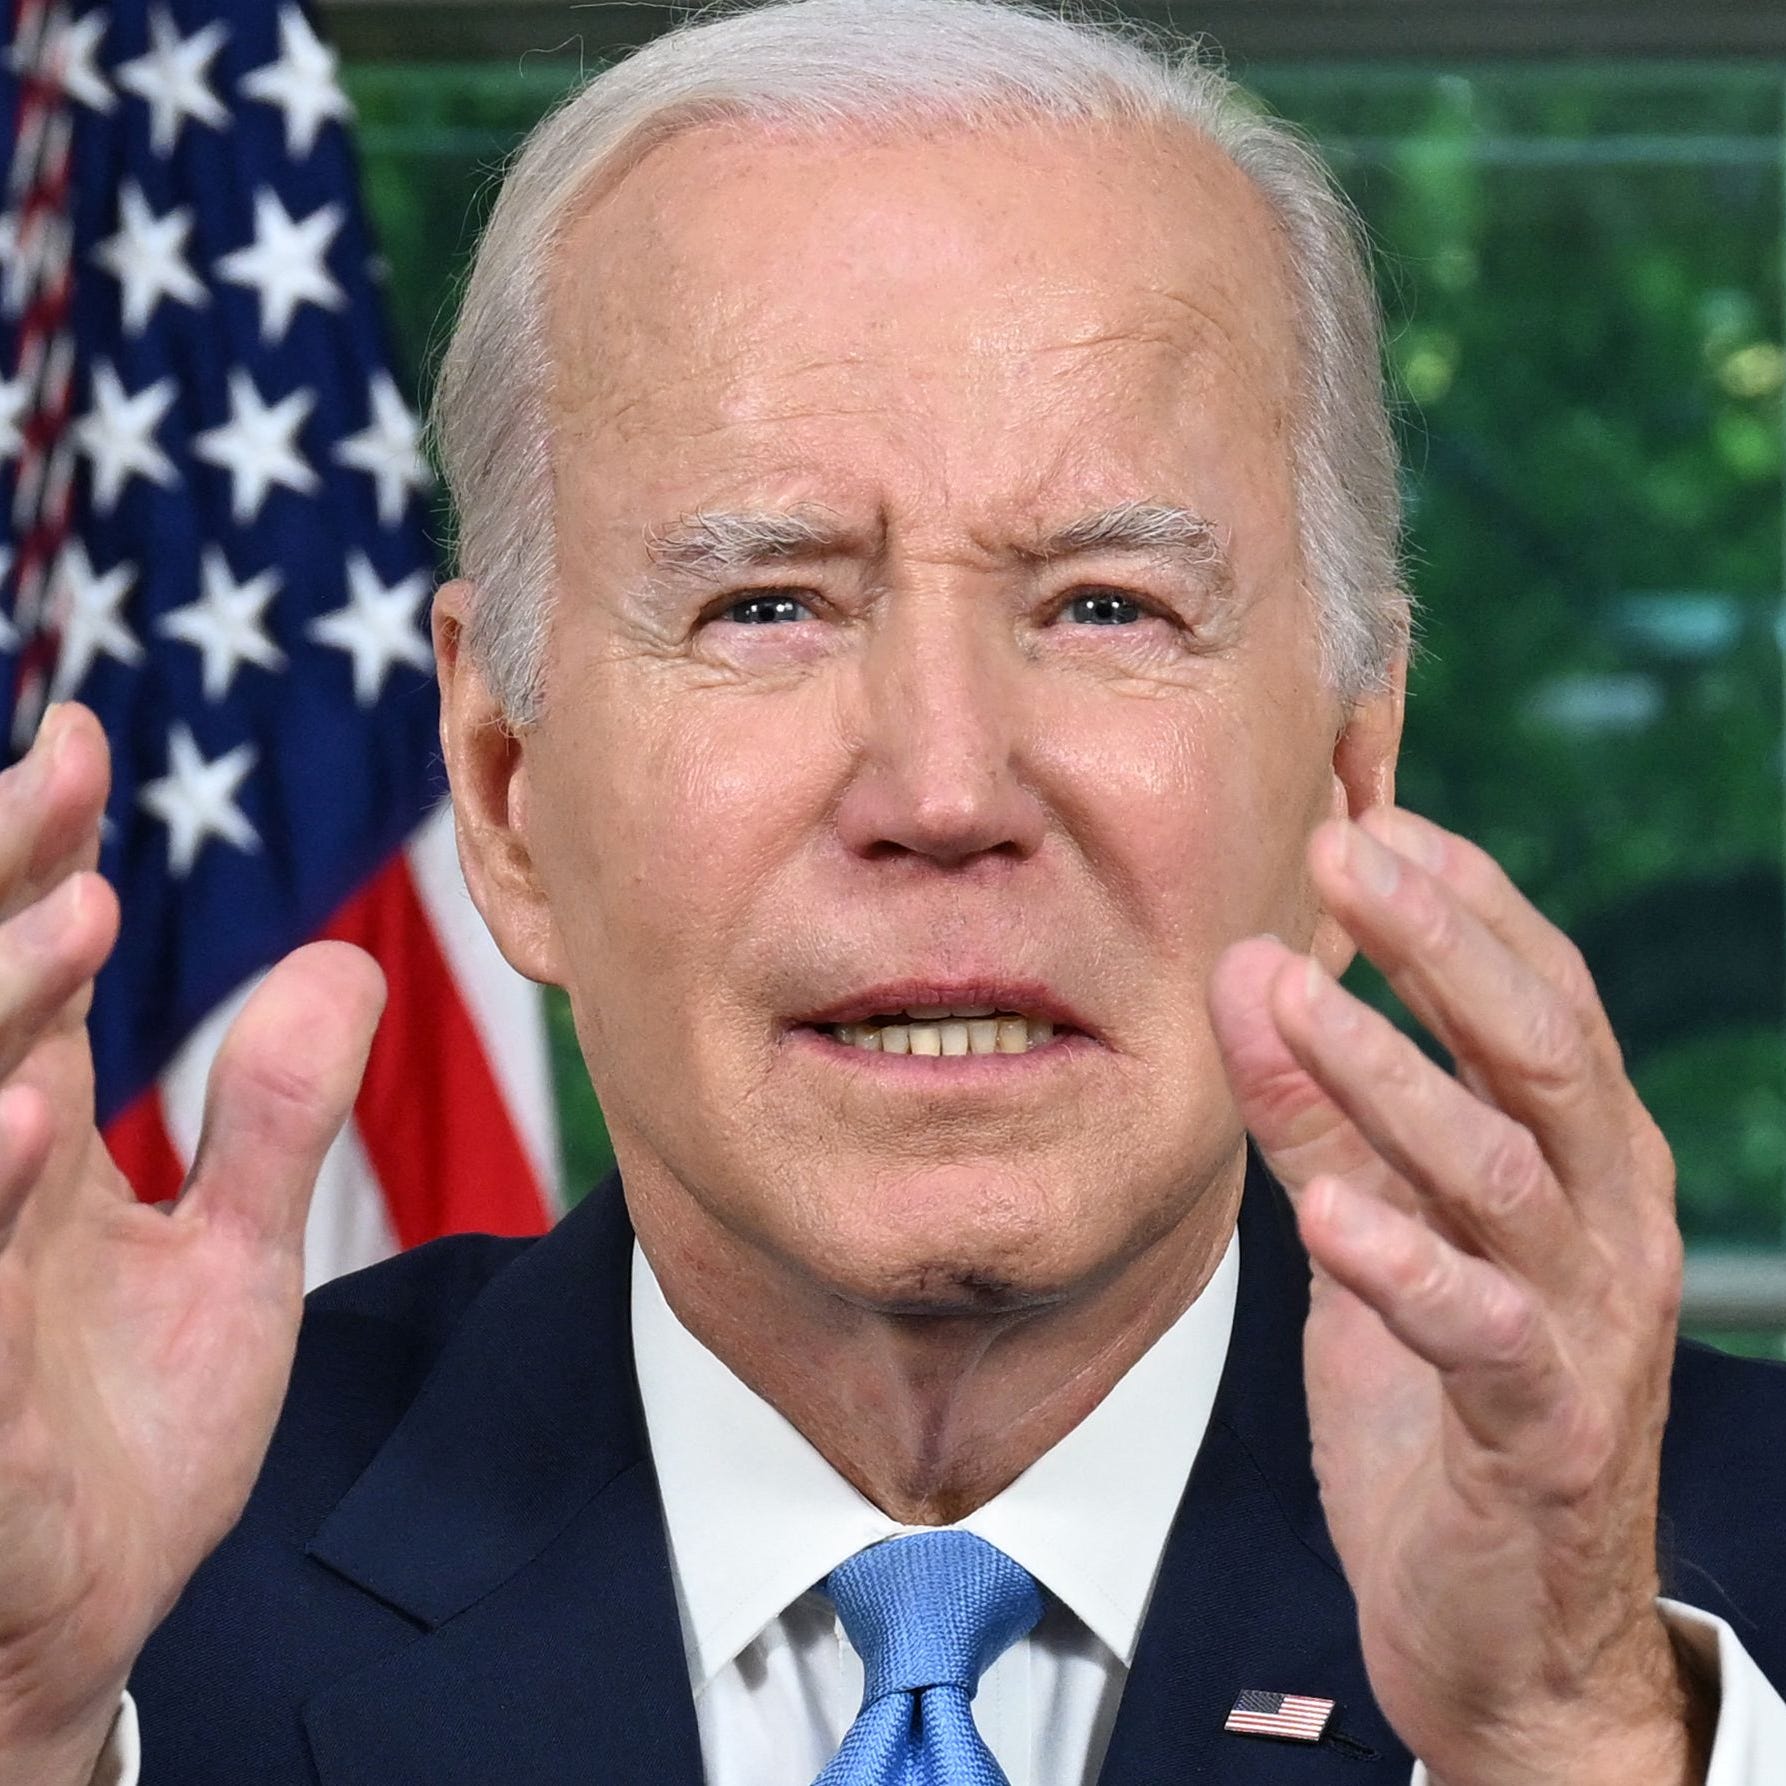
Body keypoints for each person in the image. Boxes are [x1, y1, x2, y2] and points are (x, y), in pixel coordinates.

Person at [2, 2, 1784, 1781]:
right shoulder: (117, 1579)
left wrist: (1567, 1733)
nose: (943, 790)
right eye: (765, 605)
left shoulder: (1686, 1624)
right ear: (506, 787)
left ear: (1347, 768)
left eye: (1106, 607)